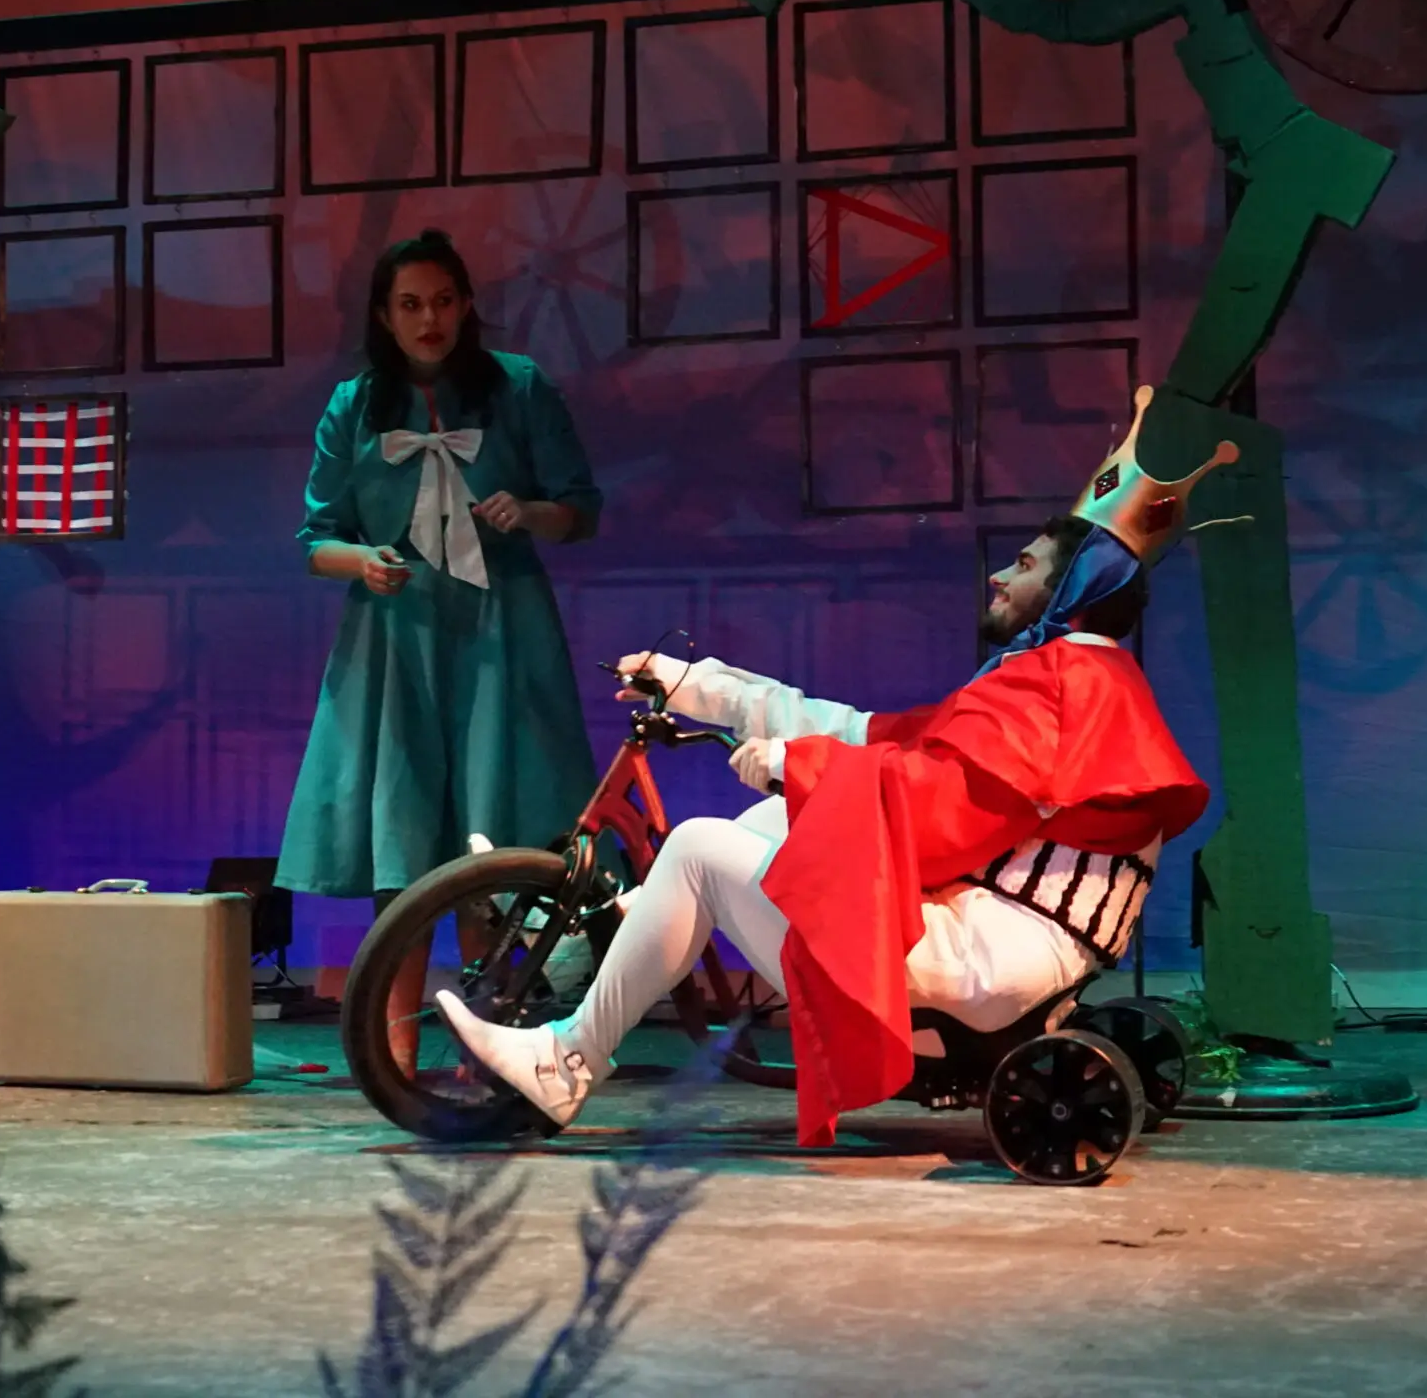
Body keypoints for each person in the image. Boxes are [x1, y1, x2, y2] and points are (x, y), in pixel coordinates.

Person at [438, 385, 1233, 1145]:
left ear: (1072, 589)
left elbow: (938, 803)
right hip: (1013, 942)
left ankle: (566, 1061)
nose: (998, 575)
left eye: (1023, 566)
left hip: (994, 956)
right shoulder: (1075, 681)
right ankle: (596, 942)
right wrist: (702, 689)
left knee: (698, 848)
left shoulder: (1062, 682)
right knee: (768, 819)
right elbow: (869, 734)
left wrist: (796, 765)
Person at [279, 229, 602, 1054]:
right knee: (405, 844)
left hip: (501, 634)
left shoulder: (518, 387)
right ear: (384, 316)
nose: (430, 320)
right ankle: (397, 1057)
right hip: (397, 640)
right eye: (411, 305)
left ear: (466, 305)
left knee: (490, 844)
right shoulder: (354, 406)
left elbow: (579, 509)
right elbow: (315, 539)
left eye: (444, 301)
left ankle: (487, 1051)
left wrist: (528, 512)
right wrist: (363, 561)